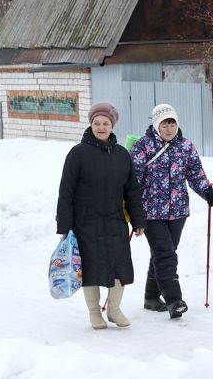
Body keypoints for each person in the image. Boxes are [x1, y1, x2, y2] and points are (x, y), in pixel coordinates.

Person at [56, 102, 146, 330]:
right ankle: (95, 312)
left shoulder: (122, 155)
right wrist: (64, 225)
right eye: (97, 123)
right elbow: (65, 191)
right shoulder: (77, 154)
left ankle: (114, 310)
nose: (101, 127)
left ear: (112, 126)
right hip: (85, 222)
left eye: (105, 123)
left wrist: (138, 220)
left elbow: (132, 191)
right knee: (91, 269)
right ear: (91, 124)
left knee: (120, 267)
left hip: (115, 221)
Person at [130, 104, 213, 319]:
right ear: (156, 125)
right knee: (165, 254)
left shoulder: (185, 147)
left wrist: (206, 190)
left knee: (163, 254)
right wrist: (132, 208)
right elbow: (132, 181)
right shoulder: (143, 146)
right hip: (151, 211)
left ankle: (151, 297)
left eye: (172, 123)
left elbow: (195, 174)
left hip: (178, 211)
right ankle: (174, 300)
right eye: (164, 124)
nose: (169, 128)